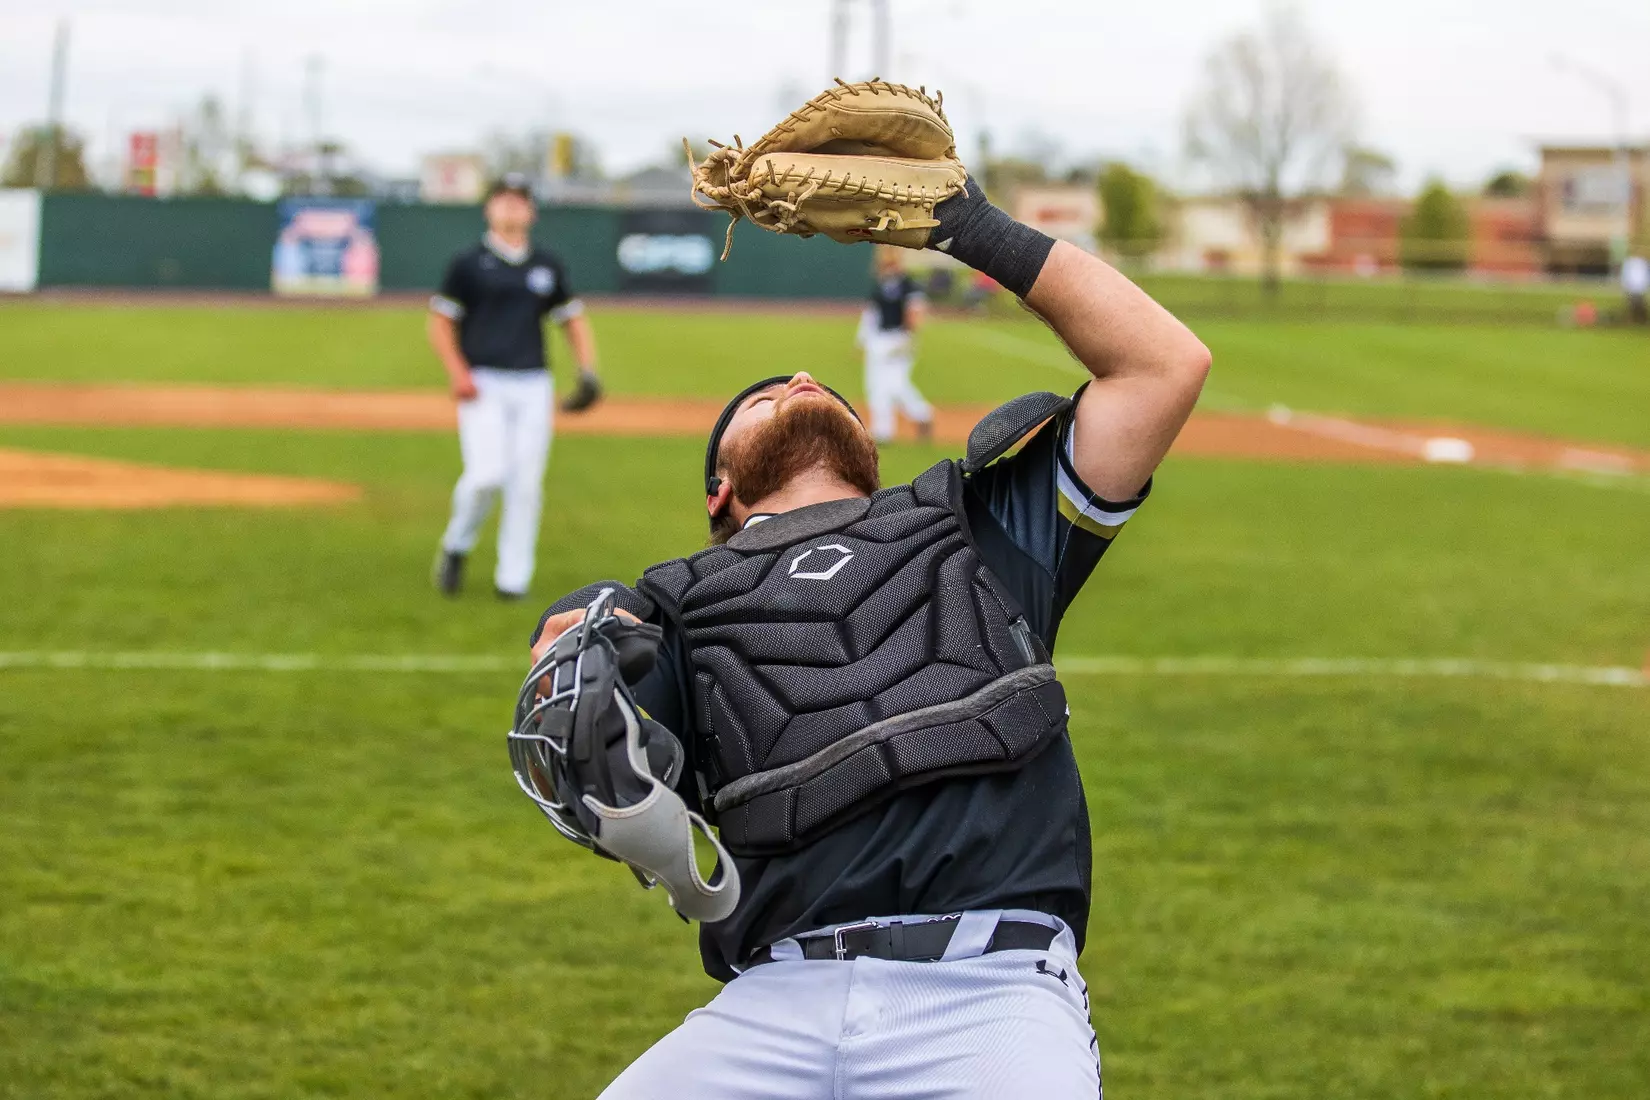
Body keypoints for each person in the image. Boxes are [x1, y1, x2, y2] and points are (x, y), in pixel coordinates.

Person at [519, 176, 1210, 1098]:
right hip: (773, 1000)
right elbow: (596, 750)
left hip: (989, 995)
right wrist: (577, 669)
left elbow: (1163, 366)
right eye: (764, 396)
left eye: (817, 388)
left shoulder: (978, 526)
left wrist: (967, 228)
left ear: (869, 458)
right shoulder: (673, 607)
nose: (800, 379)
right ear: (718, 493)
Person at [427, 173, 601, 600]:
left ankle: (513, 579)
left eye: (519, 200)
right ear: (489, 208)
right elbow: (440, 322)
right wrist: (457, 371)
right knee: (486, 475)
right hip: (483, 381)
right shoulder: (468, 263)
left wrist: (588, 370)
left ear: (531, 210)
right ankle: (456, 544)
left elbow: (571, 319)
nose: (511, 207)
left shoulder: (546, 264)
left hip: (532, 383)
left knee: (525, 484)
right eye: (503, 199)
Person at [856, 247, 933, 443]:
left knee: (895, 384)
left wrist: (908, 337)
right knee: (876, 386)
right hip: (879, 339)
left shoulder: (909, 286)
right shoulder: (880, 286)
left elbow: (915, 313)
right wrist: (862, 341)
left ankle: (922, 414)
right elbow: (871, 315)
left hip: (898, 337)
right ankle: (883, 431)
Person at [1623, 252, 1648, 325]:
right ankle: (1633, 320)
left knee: (1640, 304)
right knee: (1632, 305)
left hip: (1639, 288)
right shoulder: (1629, 263)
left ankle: (1641, 320)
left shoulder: (1642, 262)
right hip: (1633, 288)